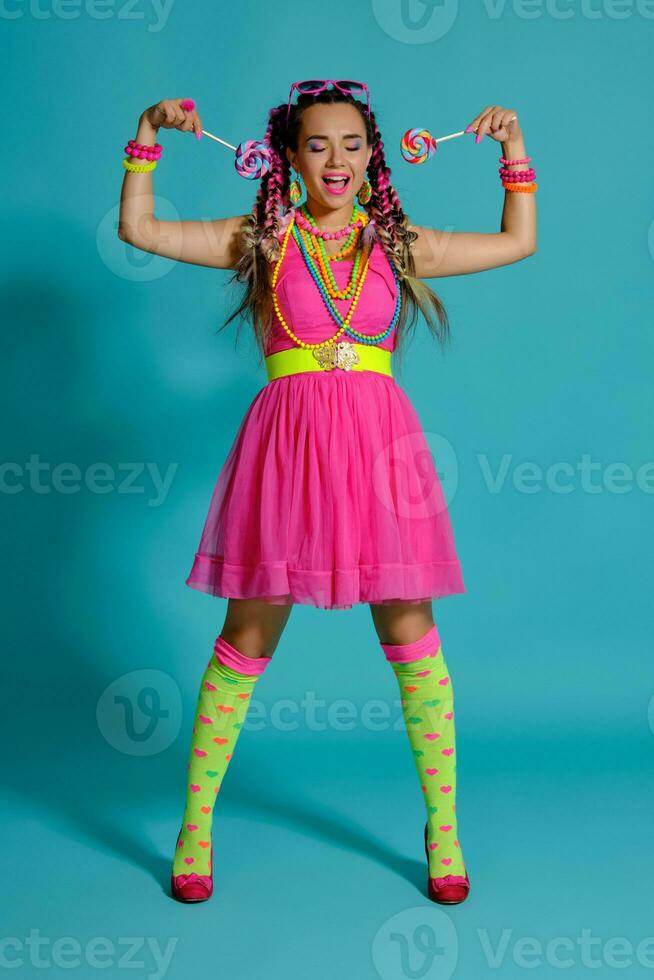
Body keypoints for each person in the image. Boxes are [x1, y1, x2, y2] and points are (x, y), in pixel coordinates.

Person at [117, 81, 537, 906]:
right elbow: (137, 228)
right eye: (318, 145)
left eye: (351, 144)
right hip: (286, 452)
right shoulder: (262, 238)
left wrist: (511, 149)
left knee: (413, 627)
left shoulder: (399, 243)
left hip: (381, 453)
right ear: (290, 157)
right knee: (247, 627)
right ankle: (195, 826)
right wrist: (145, 136)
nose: (337, 159)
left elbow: (518, 241)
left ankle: (442, 828)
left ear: (374, 154)